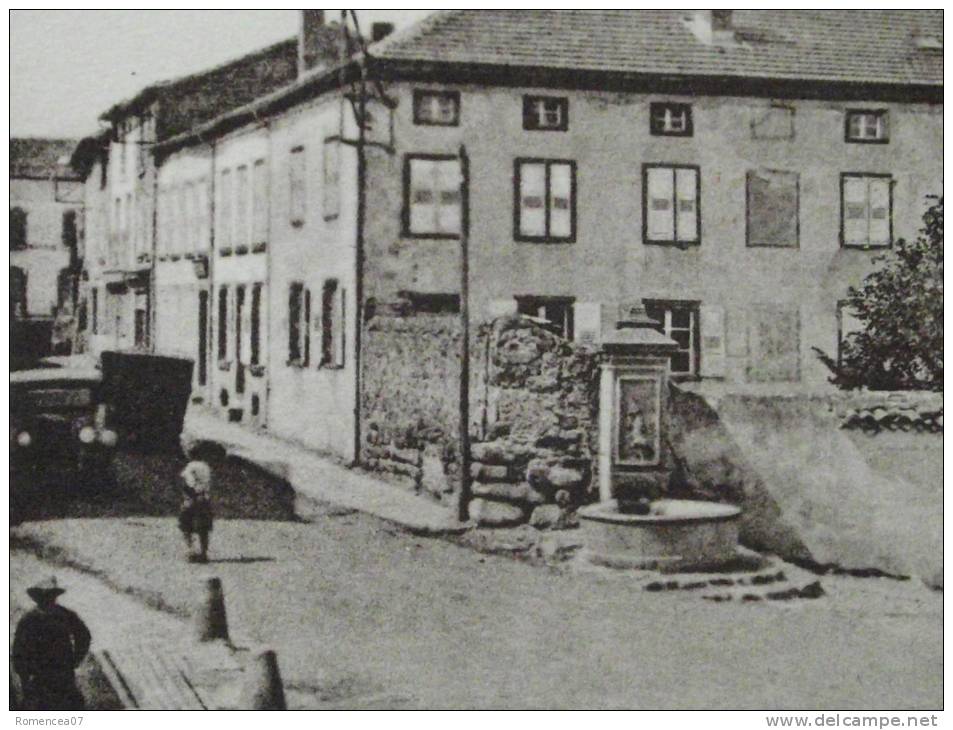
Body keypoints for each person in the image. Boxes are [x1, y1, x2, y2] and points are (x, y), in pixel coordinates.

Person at [12, 577, 91, 710]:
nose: (46, 600)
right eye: (43, 597)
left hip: (62, 671)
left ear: (54, 596)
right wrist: (24, 675)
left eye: (49, 596)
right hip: (40, 674)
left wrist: (76, 659)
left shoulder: (65, 615)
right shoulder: (29, 619)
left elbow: (84, 636)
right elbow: (19, 649)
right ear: (37, 598)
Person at [179, 447, 214, 563]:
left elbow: (187, 483)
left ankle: (191, 552)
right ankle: (204, 553)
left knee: (186, 526)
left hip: (192, 499)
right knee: (203, 528)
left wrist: (187, 497)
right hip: (204, 499)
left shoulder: (190, 467)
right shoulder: (206, 466)